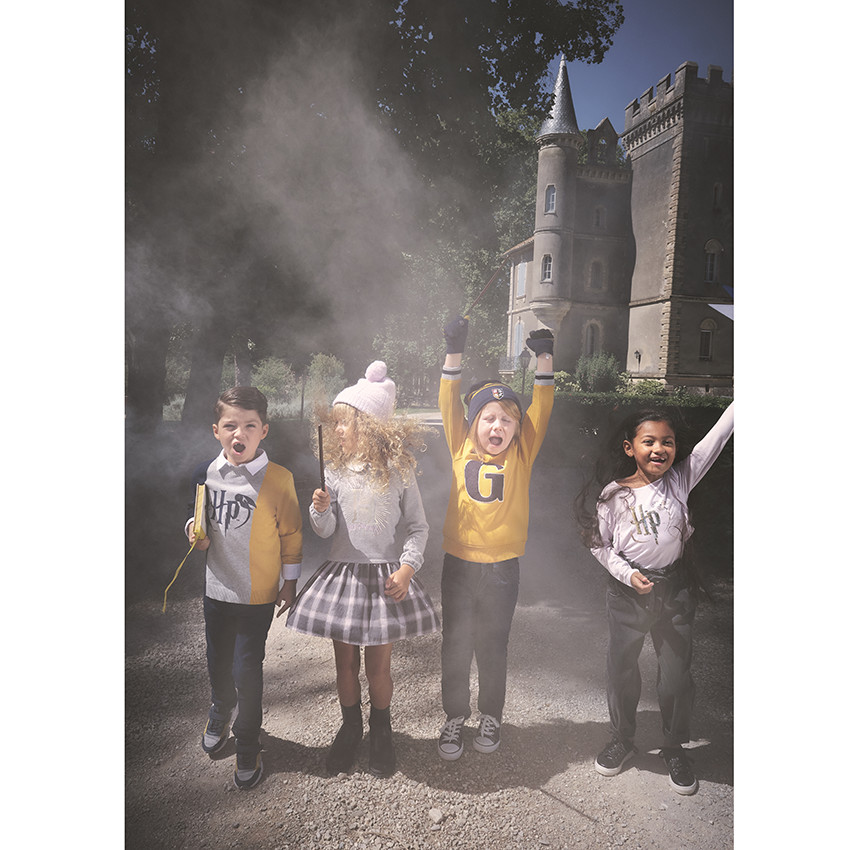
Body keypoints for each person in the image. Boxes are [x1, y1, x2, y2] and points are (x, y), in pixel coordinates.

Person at [286, 360, 439, 777]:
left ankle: (381, 731)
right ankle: (350, 727)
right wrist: (320, 510)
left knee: (379, 667)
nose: (336, 430)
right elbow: (325, 530)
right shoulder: (334, 472)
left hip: (385, 579)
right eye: (335, 423)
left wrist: (407, 568)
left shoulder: (399, 471)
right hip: (344, 577)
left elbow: (418, 526)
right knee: (345, 664)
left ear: (369, 426)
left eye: (345, 422)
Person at [575, 402, 734, 795]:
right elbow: (599, 545)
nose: (659, 449)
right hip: (628, 595)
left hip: (675, 592)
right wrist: (626, 574)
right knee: (621, 668)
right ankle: (622, 739)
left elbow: (714, 442)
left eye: (668, 442)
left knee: (677, 676)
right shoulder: (614, 495)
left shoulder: (680, 480)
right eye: (649, 441)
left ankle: (674, 747)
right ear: (630, 448)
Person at [436, 316, 555, 760]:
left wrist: (545, 358)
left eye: (507, 419)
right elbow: (448, 398)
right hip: (459, 564)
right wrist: (455, 349)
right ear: (472, 424)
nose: (497, 426)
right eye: (488, 418)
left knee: (493, 645)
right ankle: (454, 717)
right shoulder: (459, 444)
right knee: (455, 644)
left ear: (517, 428)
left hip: (503, 567)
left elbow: (542, 407)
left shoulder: (522, 453)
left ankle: (491, 715)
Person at [185, 386, 303, 790]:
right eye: (231, 425)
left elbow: (291, 534)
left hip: (257, 596)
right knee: (217, 661)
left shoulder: (279, 479)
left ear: (263, 431)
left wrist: (289, 582)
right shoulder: (205, 474)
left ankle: (248, 741)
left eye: (250, 426)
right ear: (216, 430)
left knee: (246, 670)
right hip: (216, 591)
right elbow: (195, 517)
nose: (240, 433)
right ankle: (220, 709)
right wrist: (193, 531)